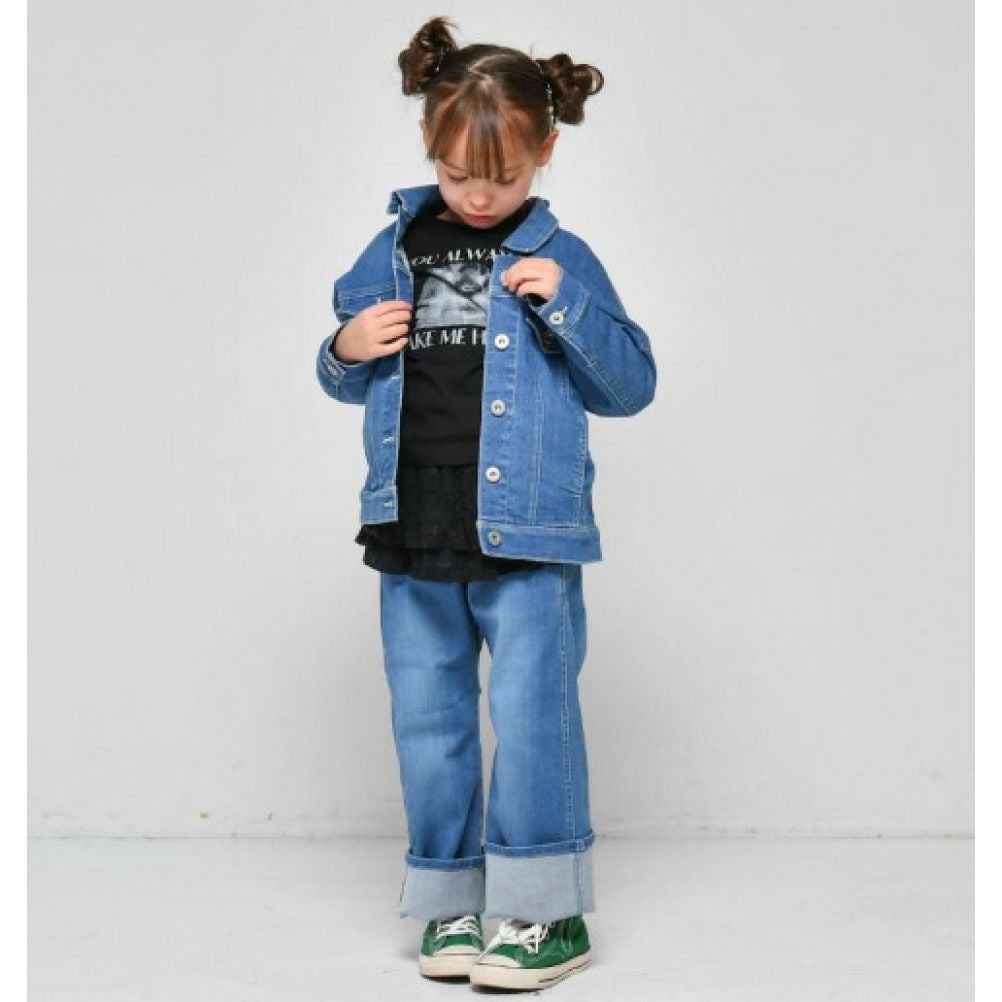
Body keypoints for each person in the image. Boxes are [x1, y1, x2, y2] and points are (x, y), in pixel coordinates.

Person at [315, 15, 656, 991]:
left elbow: (631, 385)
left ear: (545, 152)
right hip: (412, 521)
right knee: (430, 722)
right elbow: (342, 367)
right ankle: (451, 902)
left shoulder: (562, 254)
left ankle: (547, 914)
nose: (475, 195)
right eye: (458, 172)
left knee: (533, 715)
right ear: (431, 147)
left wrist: (568, 305)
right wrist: (343, 350)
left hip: (526, 531)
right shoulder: (392, 248)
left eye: (499, 178)